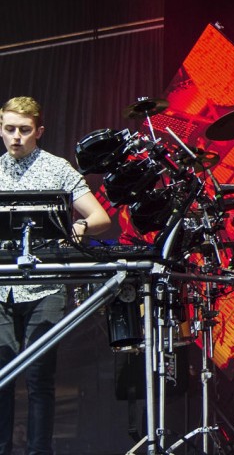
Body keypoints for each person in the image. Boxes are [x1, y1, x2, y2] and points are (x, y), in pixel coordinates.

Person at [0, 96, 114, 454]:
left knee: (38, 378)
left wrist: (78, 229)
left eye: (24, 130)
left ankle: (38, 452)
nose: (16, 137)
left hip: (45, 286)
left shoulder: (58, 168)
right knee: (1, 378)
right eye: (9, 129)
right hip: (2, 287)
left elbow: (100, 219)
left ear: (40, 131)